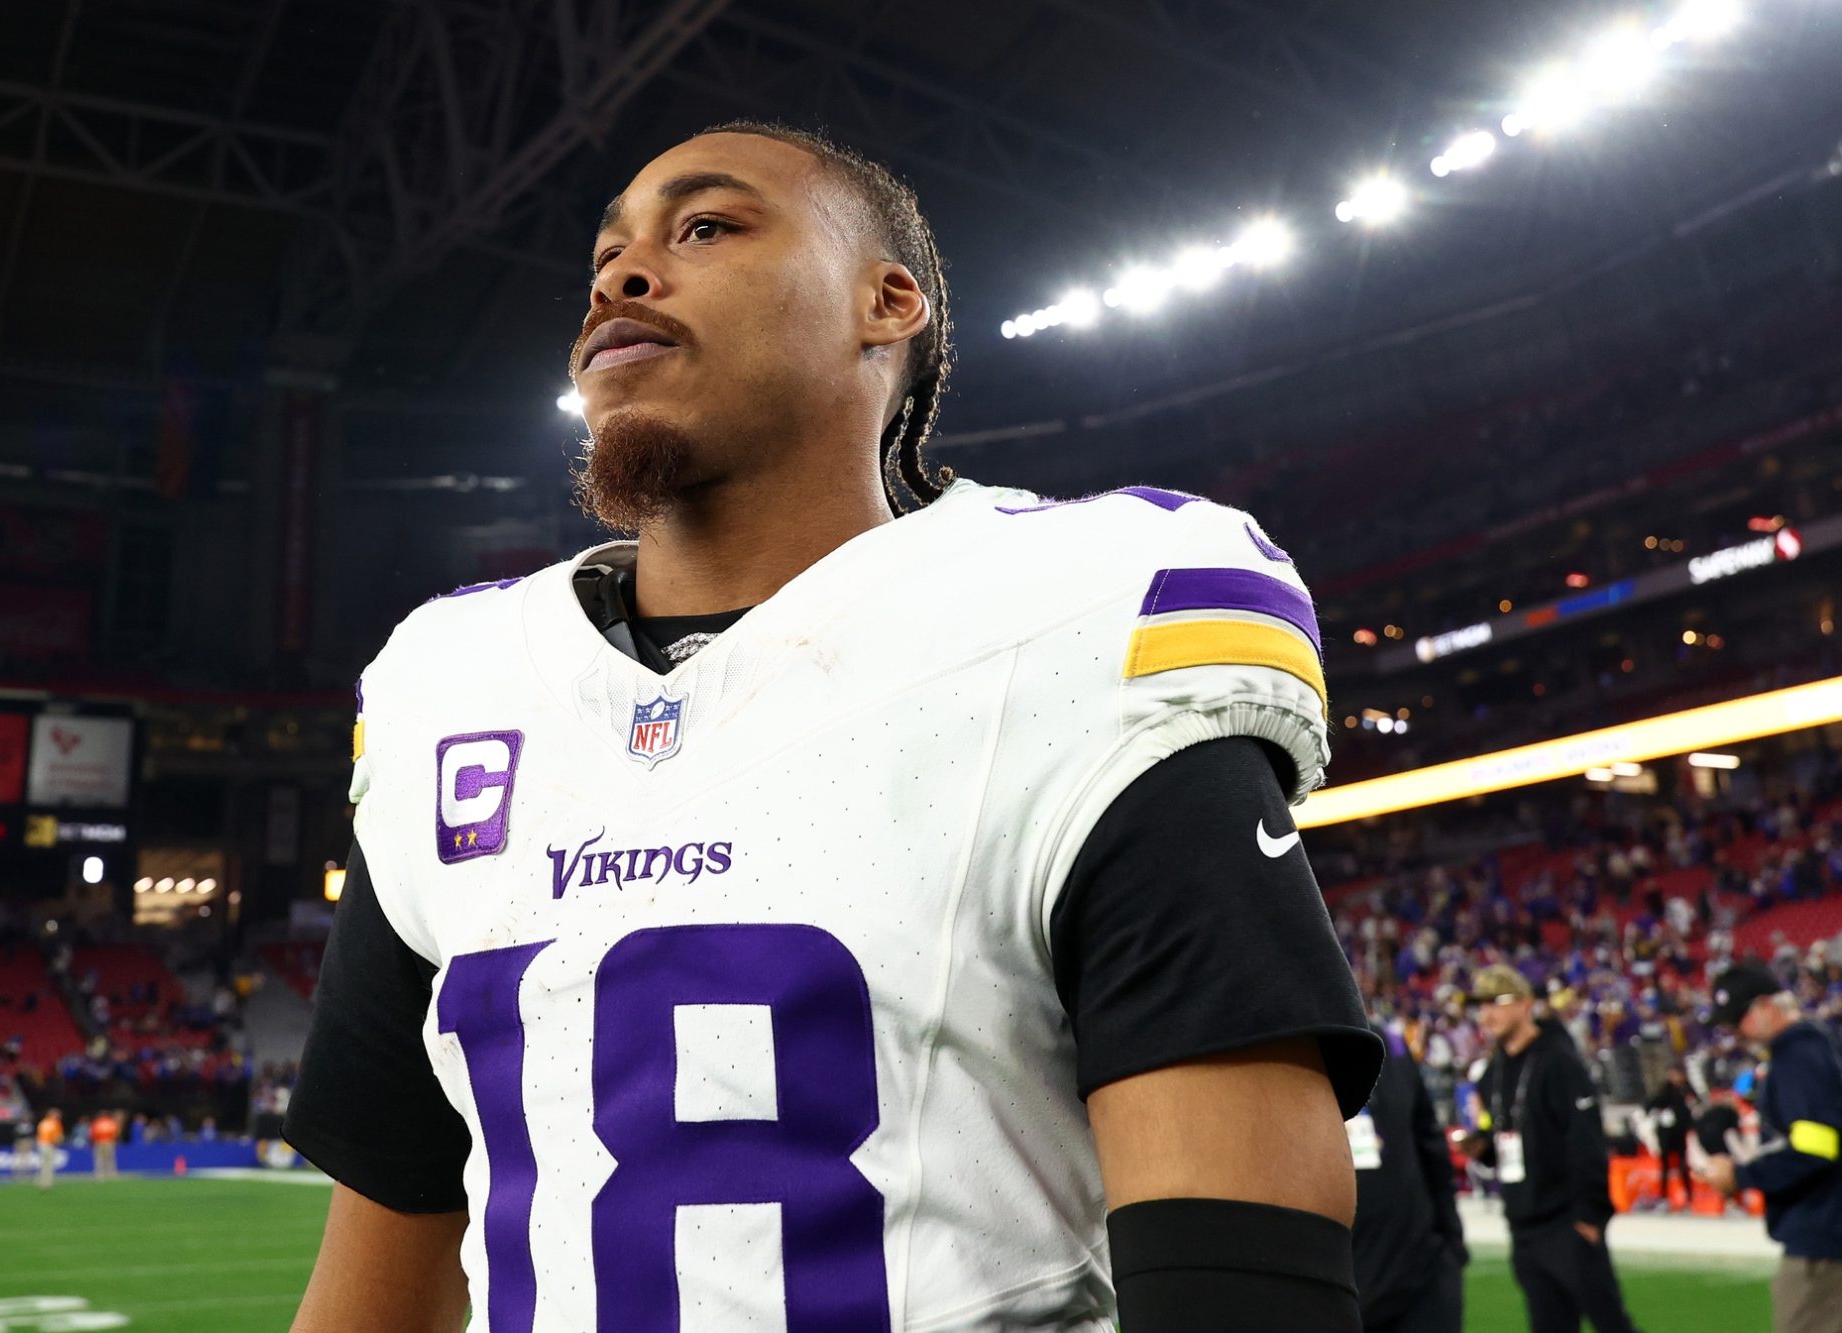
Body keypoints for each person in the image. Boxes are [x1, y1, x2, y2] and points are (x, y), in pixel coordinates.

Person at [285, 120, 1384, 1332]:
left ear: (887, 301)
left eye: (705, 226)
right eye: (608, 254)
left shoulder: (1074, 620)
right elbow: (380, 1261)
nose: (621, 275)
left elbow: (1240, 1273)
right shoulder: (452, 685)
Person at [1470, 965, 1644, 1333]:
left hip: (1567, 1220)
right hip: (1523, 1225)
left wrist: (1590, 1216)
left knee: (1611, 1323)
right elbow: (1510, 1143)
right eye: (1481, 1004)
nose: (1487, 1013)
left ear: (1526, 1004)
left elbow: (1587, 1141)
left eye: (1498, 1002)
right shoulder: (1491, 1072)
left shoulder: (1559, 1060)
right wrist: (1480, 1149)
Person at [1700, 963, 1842, 1333]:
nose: (1734, 1032)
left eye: (1738, 1018)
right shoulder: (1814, 1048)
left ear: (1765, 1006)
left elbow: (1816, 1149)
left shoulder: (1798, 1060)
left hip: (1822, 1242)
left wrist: (1740, 1176)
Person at [1351, 1037, 1466, 1333]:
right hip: (1342, 1282)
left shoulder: (1393, 1047)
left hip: (1421, 1274)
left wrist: (1451, 1246)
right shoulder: (1292, 1049)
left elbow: (1432, 1149)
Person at [1645, 1067, 1696, 1209]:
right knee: (1665, 1165)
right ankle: (1663, 1196)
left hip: (1680, 1132)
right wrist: (1660, 1115)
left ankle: (1689, 1196)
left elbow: (1694, 1106)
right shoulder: (1665, 1090)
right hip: (1666, 1134)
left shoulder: (1687, 1090)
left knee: (1683, 1165)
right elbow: (1650, 1105)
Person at [35, 1108, 63, 1191]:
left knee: (44, 1164)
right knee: (49, 1164)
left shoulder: (42, 1123)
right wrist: (57, 1143)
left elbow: (39, 1135)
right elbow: (58, 1136)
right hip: (50, 1145)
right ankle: (48, 1182)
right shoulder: (55, 1123)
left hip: (41, 1144)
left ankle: (43, 1182)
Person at [89, 1109, 119, 1181]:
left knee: (100, 1159)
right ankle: (110, 1173)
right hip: (108, 1142)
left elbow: (92, 1133)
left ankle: (100, 1174)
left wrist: (93, 1141)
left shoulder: (96, 1122)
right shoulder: (110, 1122)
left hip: (100, 1142)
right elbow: (115, 1133)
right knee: (109, 1158)